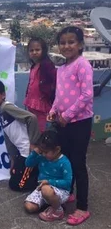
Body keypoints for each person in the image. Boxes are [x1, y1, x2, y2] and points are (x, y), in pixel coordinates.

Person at [47, 26, 93, 225]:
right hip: (63, 121)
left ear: (80, 44)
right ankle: (69, 193)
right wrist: (54, 110)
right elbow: (59, 95)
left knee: (78, 163)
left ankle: (82, 207)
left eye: (71, 42)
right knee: (64, 159)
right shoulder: (62, 68)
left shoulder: (82, 65)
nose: (66, 46)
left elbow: (87, 95)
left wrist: (67, 115)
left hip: (80, 122)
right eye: (63, 42)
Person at [0, 79, 40, 192]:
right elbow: (8, 136)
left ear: (3, 95)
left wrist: (33, 144)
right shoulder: (0, 112)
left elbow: (31, 118)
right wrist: (13, 159)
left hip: (28, 152)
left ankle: (41, 179)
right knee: (13, 176)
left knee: (17, 185)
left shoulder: (6, 107)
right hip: (21, 152)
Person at [24, 130, 73, 222]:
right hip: (42, 188)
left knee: (46, 190)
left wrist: (49, 182)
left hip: (60, 190)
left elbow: (67, 182)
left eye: (46, 152)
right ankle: (51, 203)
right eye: (41, 151)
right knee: (29, 207)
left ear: (57, 149)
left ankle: (58, 210)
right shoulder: (42, 157)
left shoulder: (64, 162)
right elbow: (28, 164)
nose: (43, 154)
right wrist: (35, 152)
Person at [24, 37, 57, 132]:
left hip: (42, 103)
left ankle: (42, 145)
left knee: (41, 128)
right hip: (32, 102)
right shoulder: (34, 66)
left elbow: (54, 81)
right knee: (33, 126)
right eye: (31, 50)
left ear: (43, 50)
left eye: (37, 50)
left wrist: (48, 94)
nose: (34, 52)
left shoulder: (47, 65)